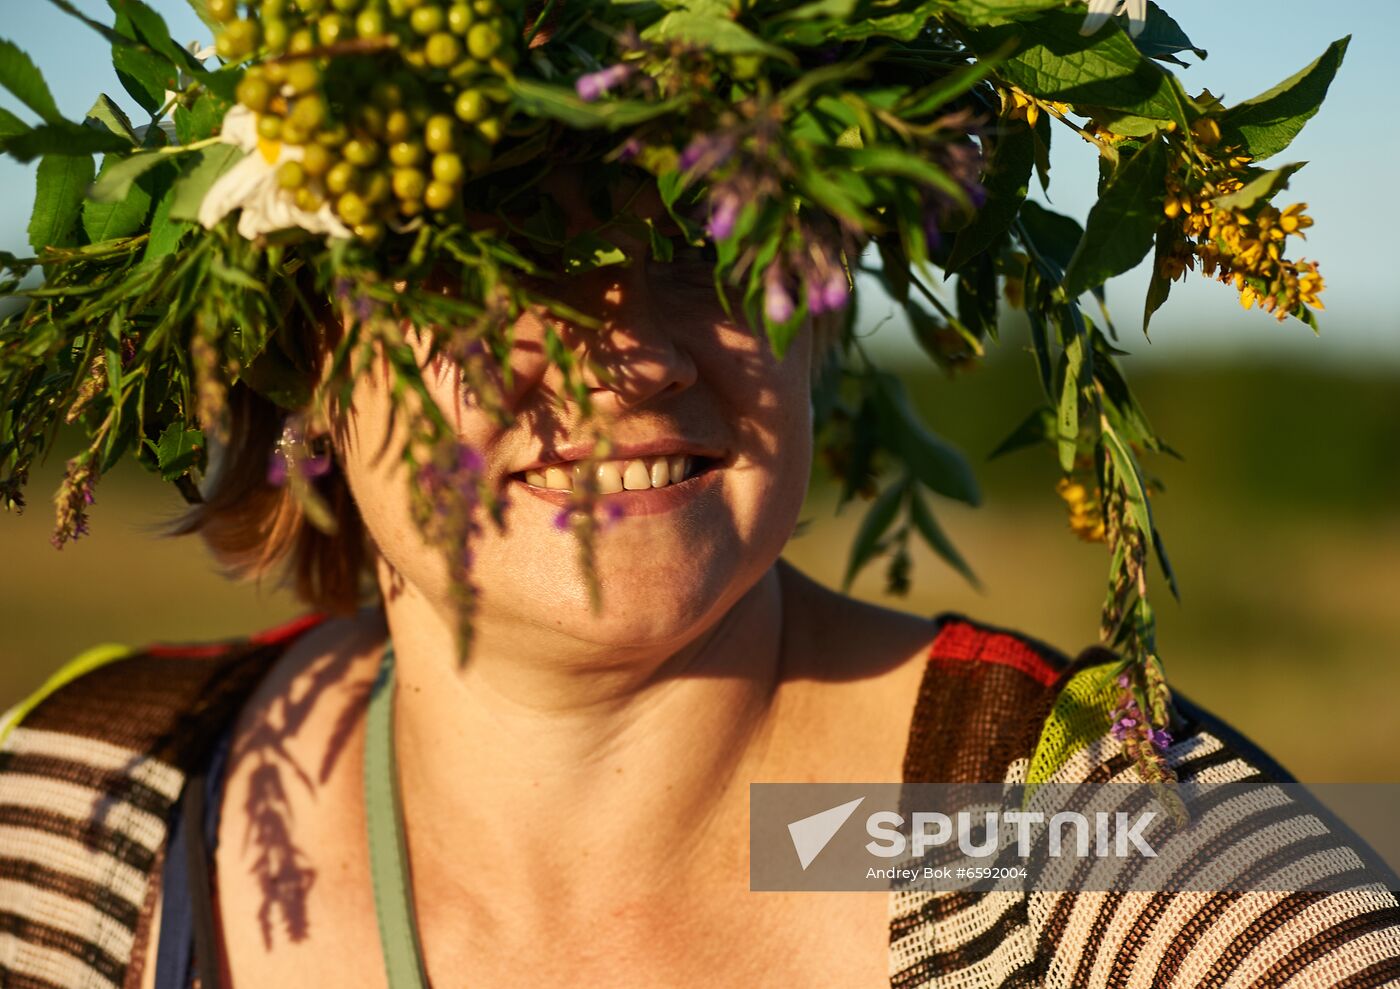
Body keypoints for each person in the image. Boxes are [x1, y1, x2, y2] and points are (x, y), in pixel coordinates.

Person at [2, 165, 1399, 989]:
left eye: (709, 242)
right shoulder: (95, 813)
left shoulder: (1038, 838)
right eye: (498, 264)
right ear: (297, 347)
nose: (633, 352)